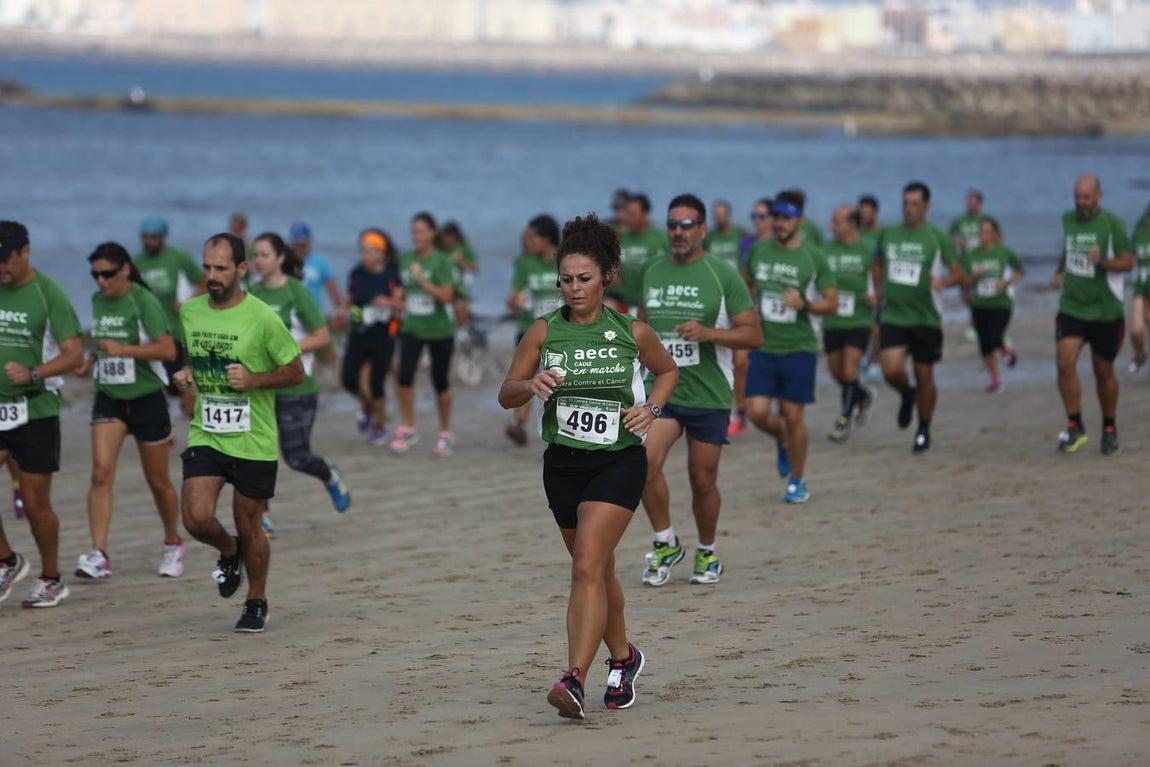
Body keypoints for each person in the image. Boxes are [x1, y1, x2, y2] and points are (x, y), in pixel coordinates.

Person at [498, 213, 678, 720]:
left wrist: (654, 409)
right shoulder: (543, 330)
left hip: (619, 461)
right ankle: (624, 658)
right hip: (562, 465)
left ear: (607, 278)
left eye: (585, 279)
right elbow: (505, 391)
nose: (574, 289)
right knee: (596, 569)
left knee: (584, 568)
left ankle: (573, 678)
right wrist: (528, 387)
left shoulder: (630, 331)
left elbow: (667, 371)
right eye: (567, 280)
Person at [173, 232, 304, 633]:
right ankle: (229, 552)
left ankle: (256, 600)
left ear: (242, 269)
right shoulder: (190, 311)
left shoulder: (263, 316)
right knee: (196, 519)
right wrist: (189, 375)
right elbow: (198, 360)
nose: (211, 275)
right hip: (208, 433)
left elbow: (296, 371)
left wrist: (254, 379)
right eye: (207, 267)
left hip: (253, 439)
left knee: (251, 526)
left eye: (221, 268)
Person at [638, 194, 760, 587]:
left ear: (702, 230)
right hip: (665, 392)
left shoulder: (722, 275)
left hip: (709, 394)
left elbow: (753, 334)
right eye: (672, 224)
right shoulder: (652, 272)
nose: (677, 231)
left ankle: (707, 552)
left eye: (686, 225)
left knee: (702, 480)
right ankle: (665, 541)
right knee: (641, 462)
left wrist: (710, 333)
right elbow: (641, 331)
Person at [73, 242, 182, 580]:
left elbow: (166, 349)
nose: (100, 281)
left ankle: (172, 543)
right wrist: (92, 359)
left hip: (147, 398)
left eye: (106, 274)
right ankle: (99, 554)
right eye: (95, 275)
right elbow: (105, 340)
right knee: (100, 473)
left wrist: (125, 350)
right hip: (109, 398)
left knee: (158, 480)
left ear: (124, 269)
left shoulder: (143, 300)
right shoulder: (97, 300)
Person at [0, 221, 84, 608]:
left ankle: (51, 577)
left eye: (5, 260)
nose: (1, 268)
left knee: (35, 504)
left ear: (25, 252)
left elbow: (74, 354)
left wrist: (34, 372)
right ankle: (7, 560)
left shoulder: (48, 293)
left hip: (35, 407)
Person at [248, 232, 351, 536]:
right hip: (263, 386)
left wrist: (286, 348)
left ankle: (329, 475)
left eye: (264, 255)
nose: (258, 261)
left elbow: (322, 336)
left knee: (296, 456)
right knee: (258, 454)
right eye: (255, 255)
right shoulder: (251, 294)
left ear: (280, 258)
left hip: (298, 386)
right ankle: (262, 516)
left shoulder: (297, 292)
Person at [744, 192, 838, 503]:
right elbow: (745, 287)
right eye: (777, 217)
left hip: (799, 347)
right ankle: (783, 440)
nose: (781, 223)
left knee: (793, 415)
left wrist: (805, 304)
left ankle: (797, 481)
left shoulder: (813, 257)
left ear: (799, 220)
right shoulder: (758, 251)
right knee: (756, 413)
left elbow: (832, 302)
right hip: (765, 345)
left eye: (787, 218)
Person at [872, 181, 964, 455]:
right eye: (905, 203)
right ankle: (906, 393)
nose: (909, 209)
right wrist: (878, 290)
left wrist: (944, 284)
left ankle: (924, 429)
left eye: (915, 204)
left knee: (925, 376)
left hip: (926, 318)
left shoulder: (937, 237)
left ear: (926, 206)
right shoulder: (888, 233)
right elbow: (877, 261)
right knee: (891, 370)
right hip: (894, 315)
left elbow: (959, 273)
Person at [1050, 174, 1133, 456]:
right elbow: (1068, 248)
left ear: (1098, 196)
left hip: (1105, 311)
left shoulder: (1112, 224)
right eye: (1077, 197)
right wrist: (1060, 271)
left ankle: (1109, 428)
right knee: (1064, 363)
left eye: (1086, 197)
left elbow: (1128, 262)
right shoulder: (1068, 219)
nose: (1081, 203)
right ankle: (1075, 425)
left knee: (1103, 372)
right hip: (1072, 307)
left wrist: (1104, 262)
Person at [391, 212, 457, 456]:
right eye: (413, 231)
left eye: (420, 231)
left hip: (439, 329)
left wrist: (422, 280)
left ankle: (444, 432)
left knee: (440, 382)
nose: (415, 236)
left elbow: (447, 296)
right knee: (404, 377)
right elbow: (402, 289)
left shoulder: (442, 261)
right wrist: (399, 297)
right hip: (412, 327)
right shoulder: (406, 258)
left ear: (432, 233)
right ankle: (408, 427)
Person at [335, 229, 403, 445]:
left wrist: (389, 303)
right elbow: (350, 297)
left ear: (381, 254)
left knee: (376, 384)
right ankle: (367, 405)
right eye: (362, 250)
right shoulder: (357, 274)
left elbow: (401, 306)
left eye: (370, 251)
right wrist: (341, 312)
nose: (364, 255)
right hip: (358, 334)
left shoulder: (392, 276)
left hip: (384, 336)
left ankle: (380, 426)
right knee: (348, 379)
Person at [134, 215, 204, 418]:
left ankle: (190, 418)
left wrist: (189, 302)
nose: (149, 242)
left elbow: (203, 282)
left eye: (153, 237)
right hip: (149, 333)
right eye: (145, 237)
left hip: (176, 329)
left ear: (163, 237)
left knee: (181, 383)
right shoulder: (137, 262)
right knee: (156, 382)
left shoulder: (178, 258)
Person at [504, 214, 562, 446]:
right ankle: (519, 425)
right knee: (525, 376)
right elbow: (511, 296)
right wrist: (515, 302)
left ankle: (561, 424)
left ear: (546, 239)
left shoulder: (565, 260)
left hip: (561, 330)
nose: (526, 241)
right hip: (529, 329)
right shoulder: (525, 262)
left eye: (531, 237)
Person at [822, 205, 878, 443]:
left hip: (859, 319)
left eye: (837, 221)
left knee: (848, 370)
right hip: (832, 319)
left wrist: (878, 295)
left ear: (852, 225)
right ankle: (863, 394)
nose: (832, 226)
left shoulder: (869, 248)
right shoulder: (825, 249)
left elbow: (881, 275)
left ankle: (844, 420)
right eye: (832, 221)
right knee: (837, 373)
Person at [728, 197, 775, 436]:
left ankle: (783, 411)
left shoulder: (781, 245)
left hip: (777, 316)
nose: (757, 221)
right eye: (754, 217)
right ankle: (742, 414)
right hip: (751, 310)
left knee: (774, 359)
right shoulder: (747, 244)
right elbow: (745, 279)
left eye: (762, 216)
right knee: (740, 361)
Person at [964, 218, 1024, 393]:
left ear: (995, 235)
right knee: (984, 344)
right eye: (981, 232)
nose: (984, 235)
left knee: (993, 337)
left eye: (988, 232)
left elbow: (1020, 271)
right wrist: (975, 276)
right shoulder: (970, 255)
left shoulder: (1004, 253)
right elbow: (965, 282)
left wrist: (1006, 282)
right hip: (979, 304)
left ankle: (1006, 350)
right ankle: (996, 379)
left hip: (1001, 303)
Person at [616, 193, 669, 312]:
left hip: (652, 305)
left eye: (632, 215)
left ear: (646, 215)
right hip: (625, 303)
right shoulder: (621, 238)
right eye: (627, 214)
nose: (628, 219)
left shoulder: (661, 239)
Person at [290, 222, 342, 315]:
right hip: (292, 312)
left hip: (314, 313)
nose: (299, 247)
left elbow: (332, 288)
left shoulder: (320, 262)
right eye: (296, 244)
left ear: (309, 241)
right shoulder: (286, 261)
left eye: (302, 244)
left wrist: (341, 311)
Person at [438, 220, 478, 331]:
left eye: (449, 237)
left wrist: (462, 261)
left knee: (460, 308)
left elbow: (475, 269)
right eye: (445, 238)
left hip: (460, 288)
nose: (447, 241)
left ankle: (463, 332)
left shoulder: (464, 248)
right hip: (445, 286)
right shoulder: (441, 250)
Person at [1127, 206, 1150, 375]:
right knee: (1136, 330)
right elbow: (1131, 256)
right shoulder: (1141, 226)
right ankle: (1141, 355)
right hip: (1142, 281)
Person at [703, 199, 746, 271]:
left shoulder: (740, 233)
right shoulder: (709, 237)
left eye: (722, 215)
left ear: (729, 214)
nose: (720, 220)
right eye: (717, 216)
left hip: (735, 276)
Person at [949, 189, 986, 257]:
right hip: (965, 257)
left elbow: (997, 239)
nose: (971, 205)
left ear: (979, 203)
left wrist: (973, 243)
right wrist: (960, 243)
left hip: (982, 256)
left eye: (973, 203)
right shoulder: (960, 220)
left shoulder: (986, 219)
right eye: (969, 203)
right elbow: (949, 238)